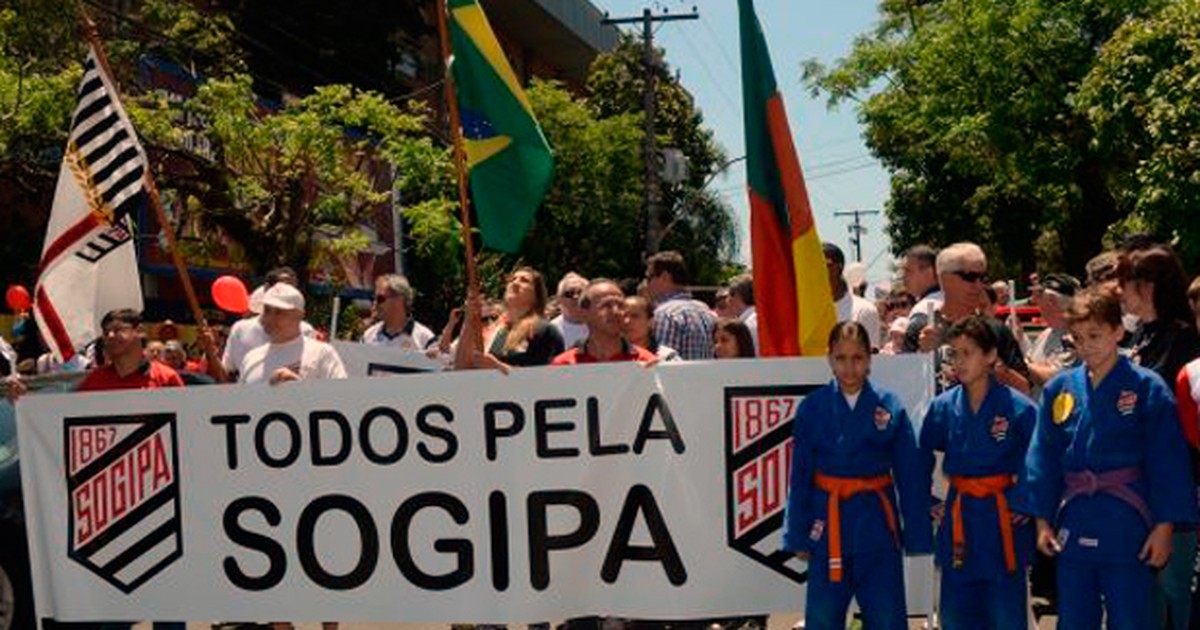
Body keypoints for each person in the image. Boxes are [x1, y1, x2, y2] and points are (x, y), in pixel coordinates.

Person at [1024, 284, 1197, 630]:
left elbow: (1168, 460)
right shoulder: (1061, 389)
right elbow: (1042, 456)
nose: (1087, 346)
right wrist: (1042, 520)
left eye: (1095, 335)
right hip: (1075, 517)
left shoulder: (1148, 387)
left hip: (1128, 519)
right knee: (1073, 617)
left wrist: (1164, 528)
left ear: (1118, 331)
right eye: (1078, 337)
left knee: (1131, 616)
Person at [783, 321, 932, 630]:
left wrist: (916, 530)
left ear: (870, 359)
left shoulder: (889, 406)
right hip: (827, 526)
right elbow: (800, 478)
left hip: (877, 526)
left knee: (887, 617)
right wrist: (797, 532)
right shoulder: (812, 408)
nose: (849, 367)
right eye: (841, 358)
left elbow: (910, 475)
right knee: (823, 618)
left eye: (857, 358)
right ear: (829, 359)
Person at [919, 315, 1038, 630]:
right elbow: (918, 460)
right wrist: (930, 499)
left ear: (991, 356)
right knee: (956, 616)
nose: (958, 361)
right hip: (960, 515)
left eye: (967, 352)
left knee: (1006, 616)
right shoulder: (942, 407)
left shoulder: (1020, 408)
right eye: (954, 353)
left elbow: (1040, 460)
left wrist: (1024, 501)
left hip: (1003, 519)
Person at [1116, 245, 1200, 629]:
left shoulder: (1183, 341)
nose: (1118, 291)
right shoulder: (1139, 338)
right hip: (1135, 491)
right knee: (1143, 594)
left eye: (1123, 283)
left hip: (1175, 491)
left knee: (1175, 592)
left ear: (1146, 286)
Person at [902, 242, 1032, 395]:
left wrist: (993, 365)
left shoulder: (996, 330)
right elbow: (906, 391)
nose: (978, 286)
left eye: (982, 278)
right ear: (945, 278)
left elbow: (1025, 390)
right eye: (970, 277)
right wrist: (922, 357)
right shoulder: (921, 329)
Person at [459, 267, 564, 372]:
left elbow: (545, 380)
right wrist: (469, 318)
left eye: (524, 280)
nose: (515, 283)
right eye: (512, 279)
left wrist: (497, 367)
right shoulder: (495, 330)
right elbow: (461, 368)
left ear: (536, 295)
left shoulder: (545, 331)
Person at [239, 283, 346, 384]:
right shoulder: (251, 358)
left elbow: (342, 398)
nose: (271, 318)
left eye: (279, 312)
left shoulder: (322, 354)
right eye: (267, 310)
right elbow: (240, 401)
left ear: (300, 315)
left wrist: (298, 389)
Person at [222, 267, 316, 379]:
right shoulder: (242, 335)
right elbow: (226, 373)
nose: (288, 294)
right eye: (282, 288)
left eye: (293, 289)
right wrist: (210, 353)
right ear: (266, 289)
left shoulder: (308, 334)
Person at [552, 280, 656, 365]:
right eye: (606, 305)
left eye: (621, 305)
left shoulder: (646, 362)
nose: (616, 312)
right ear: (584, 313)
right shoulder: (565, 365)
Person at [644, 250, 716, 361]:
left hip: (678, 378)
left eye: (649, 277)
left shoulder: (665, 314)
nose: (646, 284)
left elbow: (664, 365)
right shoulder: (706, 311)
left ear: (665, 276)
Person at [1026, 274, 1081, 392]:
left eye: (1040, 297)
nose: (1036, 302)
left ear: (1052, 301)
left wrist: (1022, 365)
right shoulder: (1047, 332)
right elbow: (1030, 359)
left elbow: (1056, 378)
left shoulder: (1078, 337)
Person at [824, 243, 881, 349]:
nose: (818, 270)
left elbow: (870, 358)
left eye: (825, 264)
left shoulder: (864, 310)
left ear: (839, 267)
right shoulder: (803, 312)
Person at [361, 274, 436, 351]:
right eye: (374, 298)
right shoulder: (368, 337)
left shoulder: (424, 338)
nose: (375, 303)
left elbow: (439, 361)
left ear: (399, 300)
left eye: (380, 299)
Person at [623, 295, 680, 362]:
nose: (627, 321)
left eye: (635, 316)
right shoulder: (611, 355)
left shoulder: (667, 357)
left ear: (650, 322)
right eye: (624, 316)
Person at [550, 272, 590, 349]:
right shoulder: (551, 331)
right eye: (569, 294)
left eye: (580, 292)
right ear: (559, 300)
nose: (576, 297)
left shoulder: (600, 325)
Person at [902, 244, 942, 318]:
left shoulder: (923, 308)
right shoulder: (954, 300)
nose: (903, 276)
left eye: (908, 271)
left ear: (929, 273)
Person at [726, 274, 759, 354]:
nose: (727, 300)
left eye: (729, 295)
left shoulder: (746, 326)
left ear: (737, 296)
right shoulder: (759, 318)